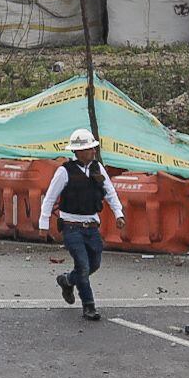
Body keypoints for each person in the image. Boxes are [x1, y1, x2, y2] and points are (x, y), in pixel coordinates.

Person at [38, 128, 125, 320]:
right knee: (83, 265)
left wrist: (119, 214)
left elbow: (110, 192)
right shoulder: (64, 171)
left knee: (94, 264)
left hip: (92, 227)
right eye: (89, 149)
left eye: (93, 148)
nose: (93, 151)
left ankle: (67, 281)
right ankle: (89, 306)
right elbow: (49, 198)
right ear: (77, 152)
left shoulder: (97, 168)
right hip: (71, 227)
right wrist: (43, 224)